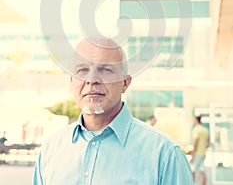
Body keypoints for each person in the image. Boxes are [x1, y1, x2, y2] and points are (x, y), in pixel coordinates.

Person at [33, 36, 193, 184]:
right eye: (82, 70)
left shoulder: (165, 155)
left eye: (105, 70)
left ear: (125, 82)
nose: (92, 80)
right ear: (71, 80)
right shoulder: (50, 150)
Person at [191, 115, 209, 185]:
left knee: (192, 170)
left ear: (196, 120)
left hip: (197, 153)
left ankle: (191, 183)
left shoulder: (196, 129)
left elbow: (196, 142)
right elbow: (208, 144)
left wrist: (193, 152)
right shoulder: (205, 130)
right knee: (202, 170)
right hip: (203, 153)